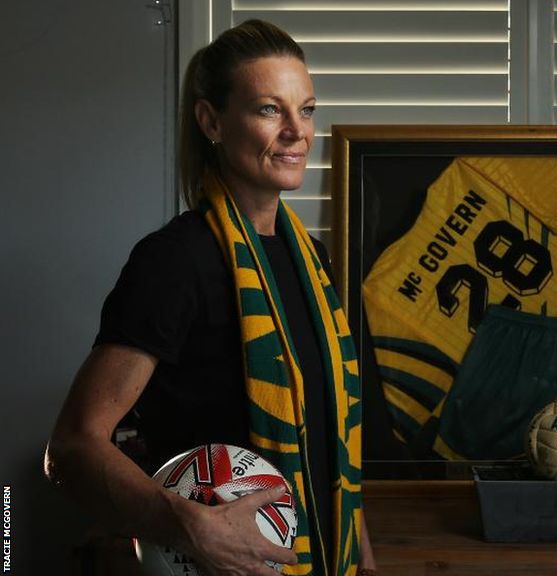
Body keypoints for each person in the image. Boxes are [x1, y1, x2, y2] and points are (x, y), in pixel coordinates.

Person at [44, 19, 376, 576]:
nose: (297, 130)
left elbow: (328, 446)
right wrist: (189, 526)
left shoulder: (316, 264)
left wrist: (362, 559)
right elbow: (72, 449)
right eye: (270, 109)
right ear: (212, 122)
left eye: (307, 109)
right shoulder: (174, 261)